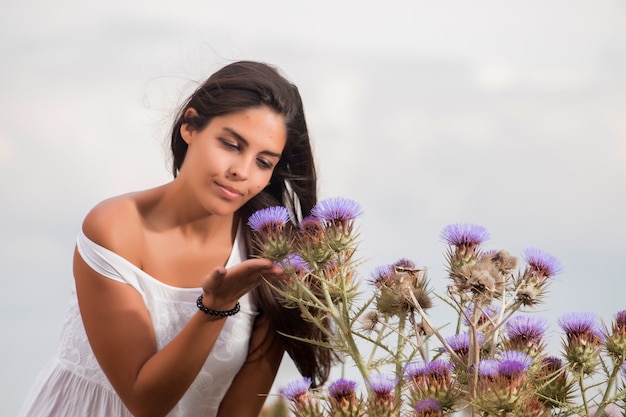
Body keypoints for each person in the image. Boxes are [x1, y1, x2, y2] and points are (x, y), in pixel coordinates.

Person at [17, 61, 334, 417]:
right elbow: (144, 401)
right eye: (230, 144)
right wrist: (216, 307)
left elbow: (238, 412)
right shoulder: (115, 230)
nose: (241, 172)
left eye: (263, 162)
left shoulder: (270, 255)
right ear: (190, 127)